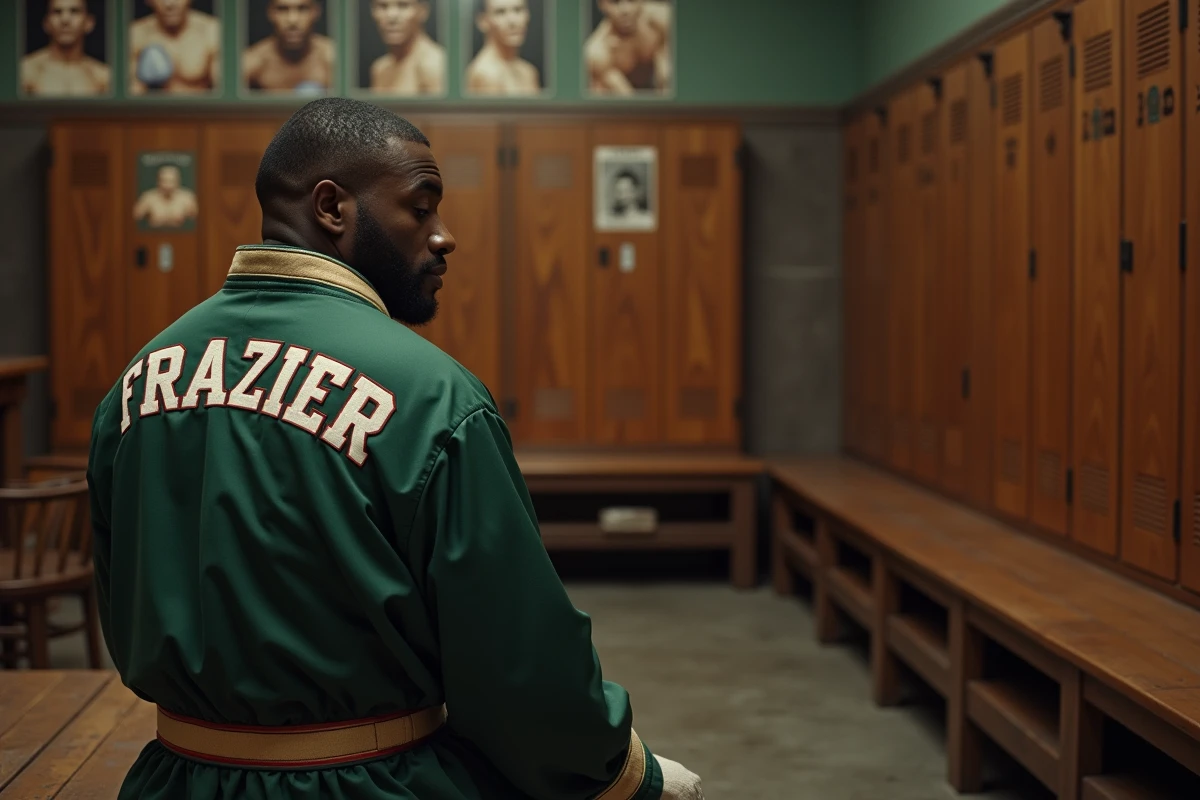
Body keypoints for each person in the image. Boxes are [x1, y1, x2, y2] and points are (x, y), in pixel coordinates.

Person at [88, 97, 704, 800]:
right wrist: (628, 775)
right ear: (332, 208)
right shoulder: (430, 393)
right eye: (421, 206)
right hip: (371, 784)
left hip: (175, 779)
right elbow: (516, 664)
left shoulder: (138, 380)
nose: (444, 237)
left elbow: (120, 599)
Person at [20, 0, 111, 97]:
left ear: (89, 23)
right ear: (46, 23)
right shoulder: (27, 72)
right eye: (57, 12)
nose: (65, 20)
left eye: (74, 11)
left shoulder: (102, 77)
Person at [129, 0, 220, 94]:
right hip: (151, 108)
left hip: (198, 107)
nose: (169, 4)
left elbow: (223, 90)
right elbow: (130, 94)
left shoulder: (210, 31)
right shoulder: (136, 34)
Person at [242, 0, 334, 93]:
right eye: (282, 9)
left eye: (302, 9)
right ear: (271, 13)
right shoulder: (254, 61)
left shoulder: (331, 58)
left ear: (315, 12)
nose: (292, 20)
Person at [585, 0, 671, 95]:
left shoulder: (662, 19)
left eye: (631, 0)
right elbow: (628, 100)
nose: (625, 10)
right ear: (602, 5)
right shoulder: (598, 52)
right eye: (615, 2)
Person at [367, 0, 445, 95]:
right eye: (383, 6)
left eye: (403, 5)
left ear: (423, 11)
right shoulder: (380, 69)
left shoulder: (433, 66)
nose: (391, 16)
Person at [464, 0, 540, 96]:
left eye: (518, 10)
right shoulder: (486, 74)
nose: (513, 21)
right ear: (483, 21)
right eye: (500, 12)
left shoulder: (528, 72)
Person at [132, 164, 199, 229]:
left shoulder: (188, 197)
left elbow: (199, 221)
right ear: (158, 181)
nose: (168, 185)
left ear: (178, 181)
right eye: (164, 181)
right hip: (153, 236)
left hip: (181, 236)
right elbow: (134, 218)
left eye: (171, 181)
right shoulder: (148, 197)